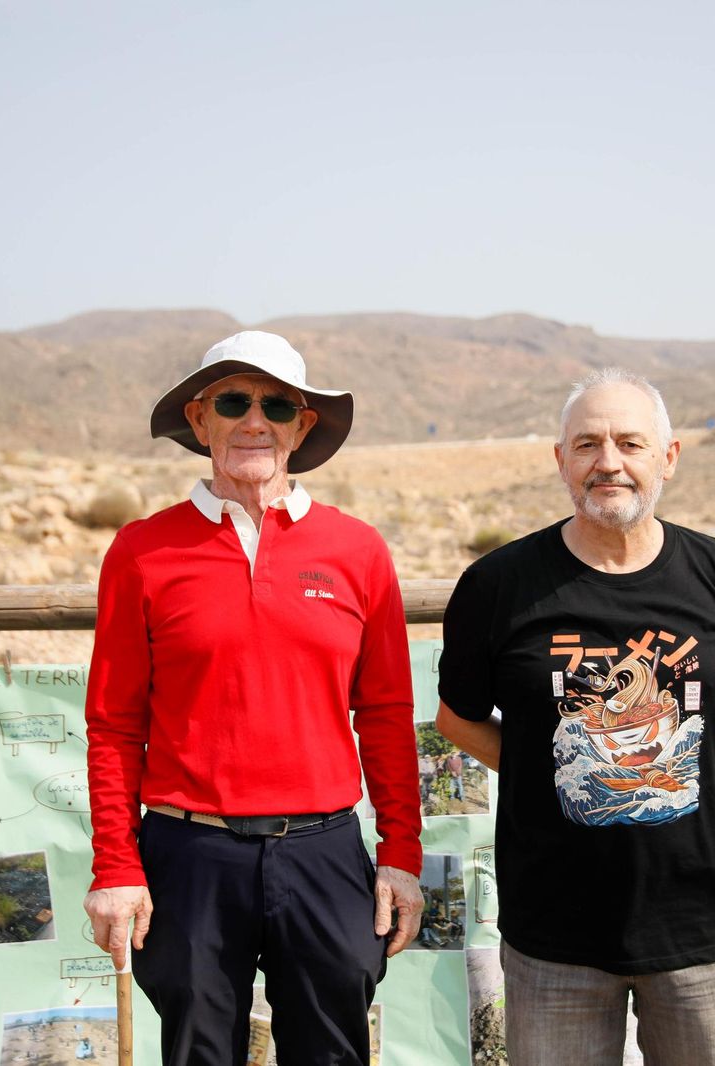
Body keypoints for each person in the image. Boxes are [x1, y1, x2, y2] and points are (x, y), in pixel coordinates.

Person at [435, 368, 715, 1065]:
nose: (608, 461)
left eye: (630, 443)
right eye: (587, 445)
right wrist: (561, 768)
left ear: (667, 458)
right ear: (560, 461)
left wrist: (671, 766)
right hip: (553, 933)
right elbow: (457, 721)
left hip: (702, 924)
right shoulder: (498, 586)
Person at [81, 331, 423, 1065]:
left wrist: (399, 854)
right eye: (233, 402)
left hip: (325, 849)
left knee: (333, 1054)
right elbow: (113, 725)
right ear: (200, 421)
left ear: (304, 425)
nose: (254, 420)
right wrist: (115, 865)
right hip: (188, 851)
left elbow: (388, 714)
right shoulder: (142, 552)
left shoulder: (358, 550)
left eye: (276, 404)